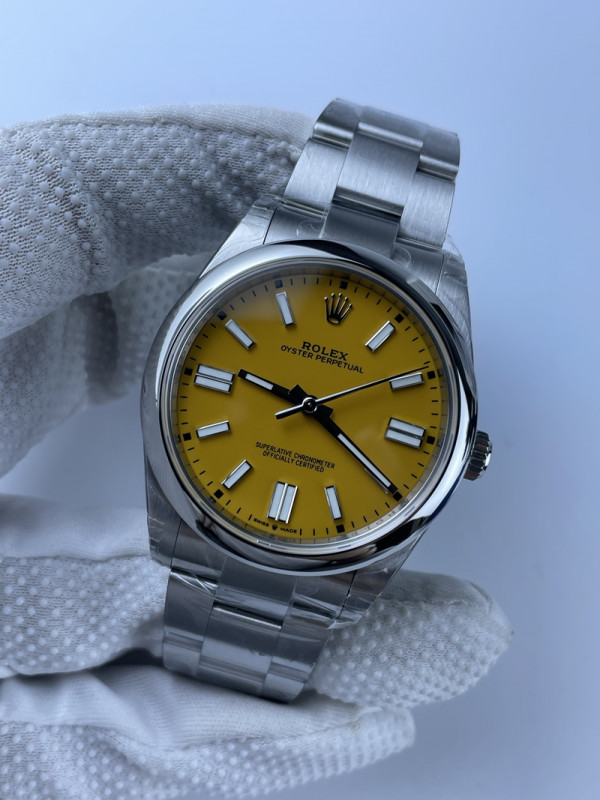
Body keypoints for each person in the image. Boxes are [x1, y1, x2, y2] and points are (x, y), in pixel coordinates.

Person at [0, 105, 511, 799]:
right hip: (239, 497)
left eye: (319, 412)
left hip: (275, 507)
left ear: (463, 453)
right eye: (307, 406)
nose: (314, 411)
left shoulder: (431, 307)